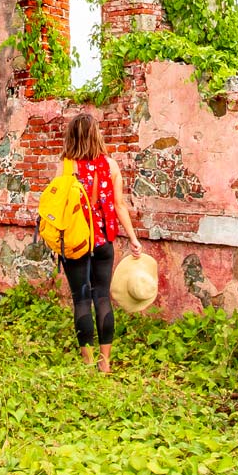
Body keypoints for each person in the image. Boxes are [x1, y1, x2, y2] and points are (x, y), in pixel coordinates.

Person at [60, 112, 146, 373]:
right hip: (103, 241)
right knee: (102, 297)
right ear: (96, 134)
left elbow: (61, 206)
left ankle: (87, 362)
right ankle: (105, 363)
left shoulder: (67, 165)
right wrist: (133, 239)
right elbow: (119, 206)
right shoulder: (111, 165)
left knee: (81, 299)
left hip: (76, 242)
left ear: (72, 136)